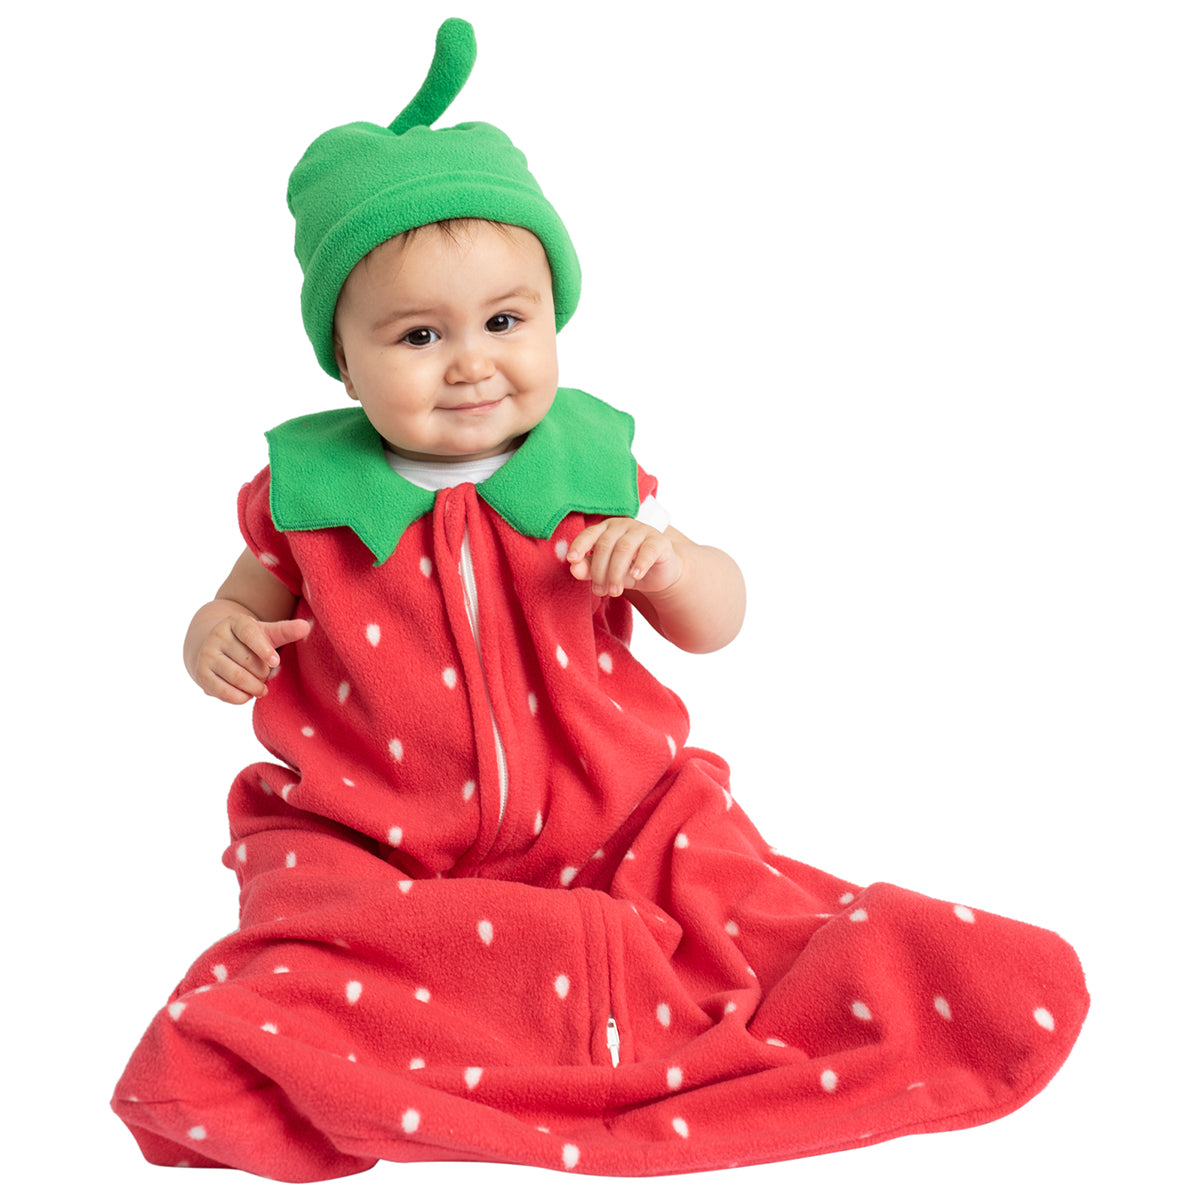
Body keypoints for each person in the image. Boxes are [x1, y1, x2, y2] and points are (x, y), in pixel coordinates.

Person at [113, 19, 1088, 1182]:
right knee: (301, 958)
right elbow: (230, 608)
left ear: (552, 317)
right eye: (419, 335)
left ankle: (536, 1002)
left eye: (505, 322)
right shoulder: (306, 499)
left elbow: (718, 619)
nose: (471, 362)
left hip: (615, 815)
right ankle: (452, 1001)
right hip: (373, 834)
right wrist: (216, 638)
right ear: (344, 358)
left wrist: (669, 565)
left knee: (734, 917)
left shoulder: (590, 474)